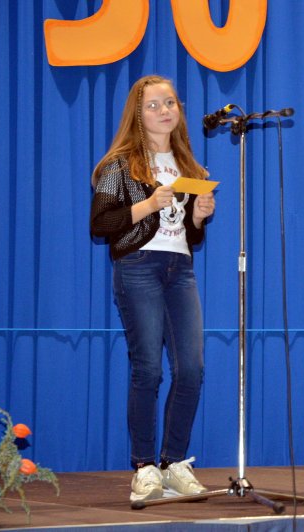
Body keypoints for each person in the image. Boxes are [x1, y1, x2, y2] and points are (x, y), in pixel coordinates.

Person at [90, 74, 216, 502]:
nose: (164, 111)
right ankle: (144, 466)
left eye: (170, 103)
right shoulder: (119, 165)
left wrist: (198, 216)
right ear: (138, 115)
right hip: (138, 267)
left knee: (191, 369)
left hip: (180, 268)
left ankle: (174, 462)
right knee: (148, 369)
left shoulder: (190, 166)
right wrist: (148, 204)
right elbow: (100, 223)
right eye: (153, 105)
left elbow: (191, 235)